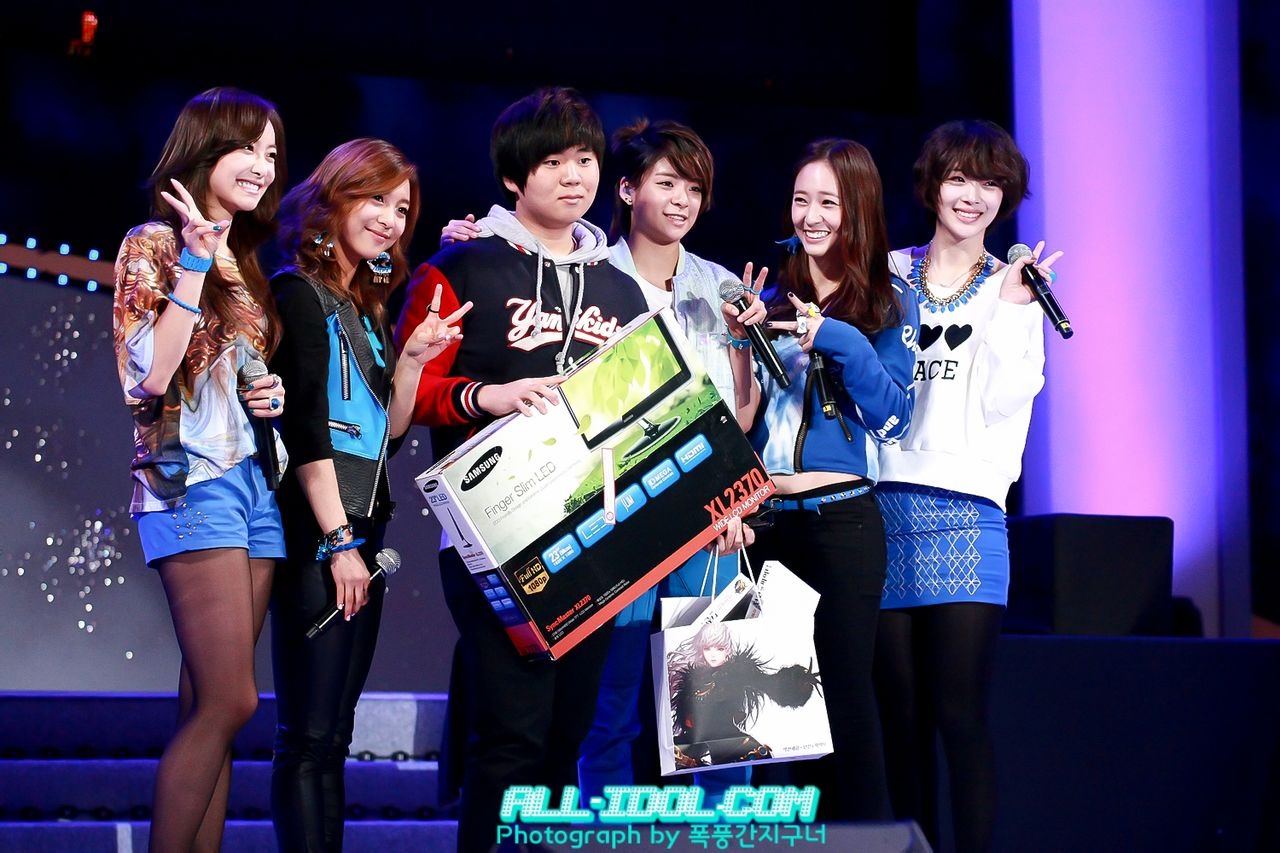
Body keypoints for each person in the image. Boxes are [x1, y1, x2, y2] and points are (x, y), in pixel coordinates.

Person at [441, 118, 759, 800]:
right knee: (603, 709)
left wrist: (731, 496)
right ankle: (598, 833)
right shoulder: (590, 274)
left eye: (694, 189)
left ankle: (720, 841)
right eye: (667, 183)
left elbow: (738, 412)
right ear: (628, 189)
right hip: (613, 515)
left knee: (718, 713)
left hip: (704, 515)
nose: (681, 200)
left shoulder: (722, 286)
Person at [394, 87, 649, 852]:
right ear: (513, 176)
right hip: (492, 538)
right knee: (510, 737)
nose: (574, 177)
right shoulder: (461, 268)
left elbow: (643, 408)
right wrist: (487, 395)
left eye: (585, 160)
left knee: (566, 739)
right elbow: (407, 397)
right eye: (553, 162)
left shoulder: (620, 286)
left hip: (594, 538)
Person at [268, 138, 470, 852]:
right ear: (336, 197)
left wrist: (410, 361)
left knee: (333, 735)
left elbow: (388, 434)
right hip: (322, 536)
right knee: (307, 736)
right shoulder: (298, 292)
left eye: (402, 208)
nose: (390, 218)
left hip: (360, 533)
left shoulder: (367, 307)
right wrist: (338, 542)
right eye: (376, 198)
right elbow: (305, 432)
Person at [873, 119, 1061, 853]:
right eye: (958, 178)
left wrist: (1013, 309)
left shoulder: (1017, 287)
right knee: (902, 720)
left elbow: (1007, 401)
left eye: (989, 183)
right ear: (932, 186)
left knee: (960, 715)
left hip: (968, 513)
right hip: (881, 506)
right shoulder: (886, 271)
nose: (972, 195)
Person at [111, 87, 288, 852]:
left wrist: (266, 391)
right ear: (206, 147)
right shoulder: (154, 243)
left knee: (210, 703)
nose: (262, 166)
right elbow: (149, 375)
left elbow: (228, 374)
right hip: (190, 480)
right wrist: (190, 258)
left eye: (272, 154)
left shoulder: (240, 260)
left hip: (253, 483)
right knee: (231, 700)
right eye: (248, 147)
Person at [725, 138, 918, 821]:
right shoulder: (768, 298)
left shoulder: (888, 302)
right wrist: (740, 342)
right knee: (767, 715)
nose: (811, 216)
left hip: (842, 522)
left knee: (843, 698)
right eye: (801, 199)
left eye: (828, 202)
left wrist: (836, 336)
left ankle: (863, 835)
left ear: (857, 208)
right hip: (765, 523)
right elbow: (743, 416)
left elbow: (893, 416)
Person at [667, 622, 820, 768]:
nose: (713, 654)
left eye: (719, 648)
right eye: (707, 648)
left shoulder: (737, 672)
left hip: (733, 743)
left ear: (727, 650)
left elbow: (770, 684)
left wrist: (795, 682)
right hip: (696, 744)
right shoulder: (692, 681)